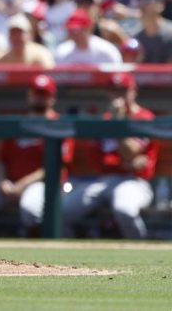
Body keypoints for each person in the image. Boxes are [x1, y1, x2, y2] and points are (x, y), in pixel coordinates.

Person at [0, 75, 72, 235]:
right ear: (29, 95)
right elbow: (0, 161)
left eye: (44, 94)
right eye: (36, 93)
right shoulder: (20, 123)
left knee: (30, 210)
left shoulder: (60, 124)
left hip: (44, 184)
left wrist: (21, 185)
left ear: (52, 98)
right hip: (9, 184)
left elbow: (54, 166)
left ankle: (37, 253)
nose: (39, 98)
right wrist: (2, 182)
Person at [63, 73, 159, 239]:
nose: (118, 96)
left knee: (124, 210)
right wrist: (121, 163)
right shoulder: (105, 120)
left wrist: (119, 120)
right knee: (61, 211)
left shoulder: (144, 118)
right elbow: (95, 160)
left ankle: (141, 250)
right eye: (115, 91)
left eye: (123, 90)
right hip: (104, 180)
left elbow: (130, 151)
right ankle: (68, 256)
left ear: (133, 91)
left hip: (134, 181)